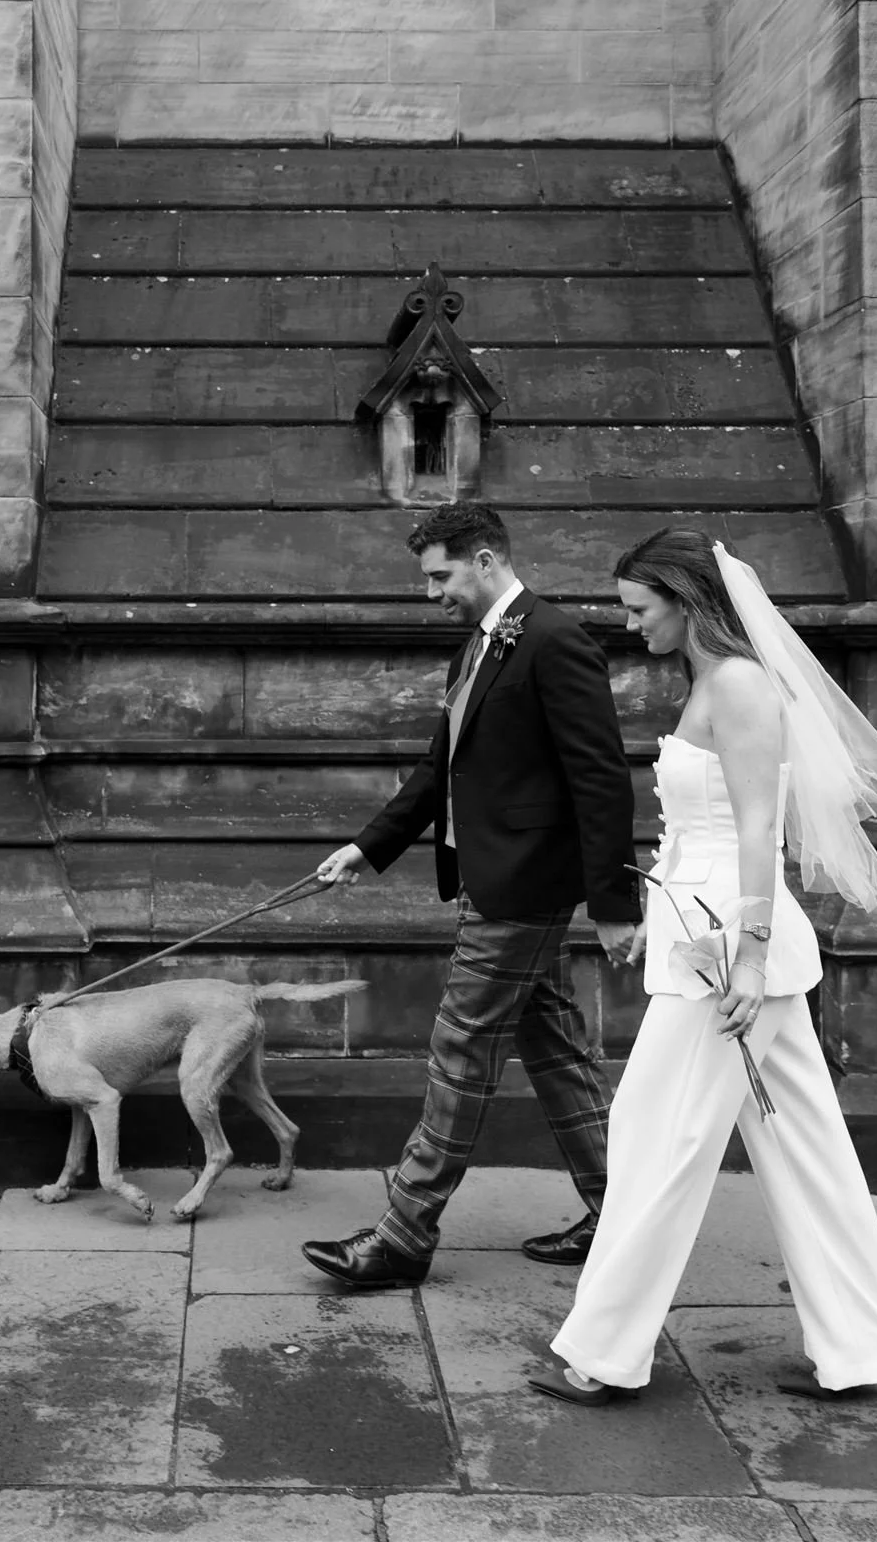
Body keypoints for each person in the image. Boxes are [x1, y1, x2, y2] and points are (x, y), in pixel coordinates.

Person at [530, 527, 877, 1406]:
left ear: (685, 599)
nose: (629, 627)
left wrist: (748, 957)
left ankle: (602, 1354)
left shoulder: (735, 684)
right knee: (806, 1151)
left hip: (727, 955)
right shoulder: (714, 680)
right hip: (713, 940)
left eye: (637, 608)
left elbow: (753, 831)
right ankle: (855, 1352)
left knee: (656, 1139)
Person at [301, 500, 640, 1290]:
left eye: (440, 575)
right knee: (555, 1050)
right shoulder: (474, 651)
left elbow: (600, 781)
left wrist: (615, 904)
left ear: (486, 560)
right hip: (495, 879)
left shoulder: (554, 641)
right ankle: (625, 1215)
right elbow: (437, 769)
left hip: (524, 888)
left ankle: (402, 1234)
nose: (432, 593)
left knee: (459, 1049)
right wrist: (367, 845)